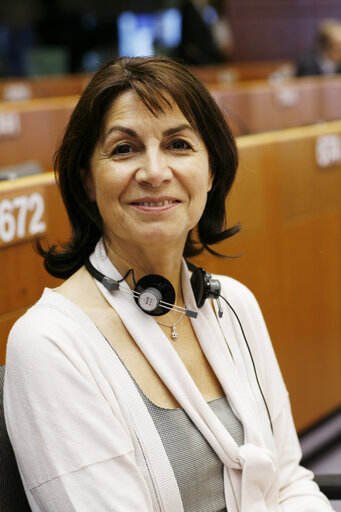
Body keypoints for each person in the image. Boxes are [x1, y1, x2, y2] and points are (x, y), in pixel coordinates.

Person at [4, 56, 334, 512]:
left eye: (178, 144)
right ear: (86, 181)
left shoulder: (234, 305)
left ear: (211, 170)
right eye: (124, 149)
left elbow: (288, 480)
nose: (155, 172)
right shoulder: (49, 343)